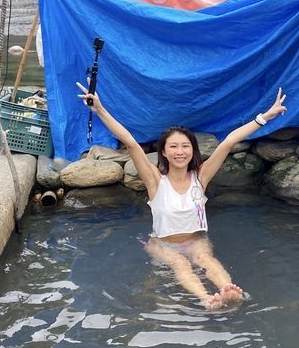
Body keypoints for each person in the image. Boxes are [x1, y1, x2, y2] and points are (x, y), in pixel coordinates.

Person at [76, 82, 287, 310]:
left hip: (197, 241)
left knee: (206, 259)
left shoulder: (201, 178)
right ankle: (205, 298)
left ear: (193, 151)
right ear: (164, 152)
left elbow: (228, 142)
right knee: (179, 263)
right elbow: (130, 142)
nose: (180, 152)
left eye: (185, 146)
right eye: (173, 147)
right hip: (163, 245)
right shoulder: (155, 181)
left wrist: (265, 117)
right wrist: (100, 109)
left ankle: (229, 290)